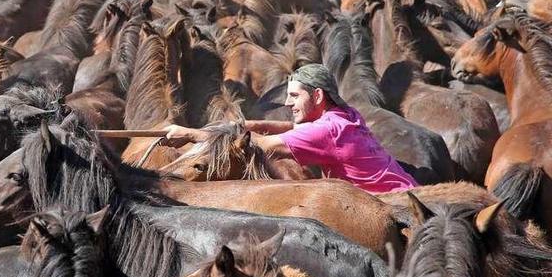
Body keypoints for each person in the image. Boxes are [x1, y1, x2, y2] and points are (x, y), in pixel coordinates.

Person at [163, 64, 419, 194]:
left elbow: (265, 145)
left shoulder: (327, 131)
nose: (287, 103)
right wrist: (245, 125)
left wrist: (192, 134)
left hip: (390, 204)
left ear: (317, 96)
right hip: (407, 190)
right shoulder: (345, 115)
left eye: (294, 96)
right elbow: (290, 128)